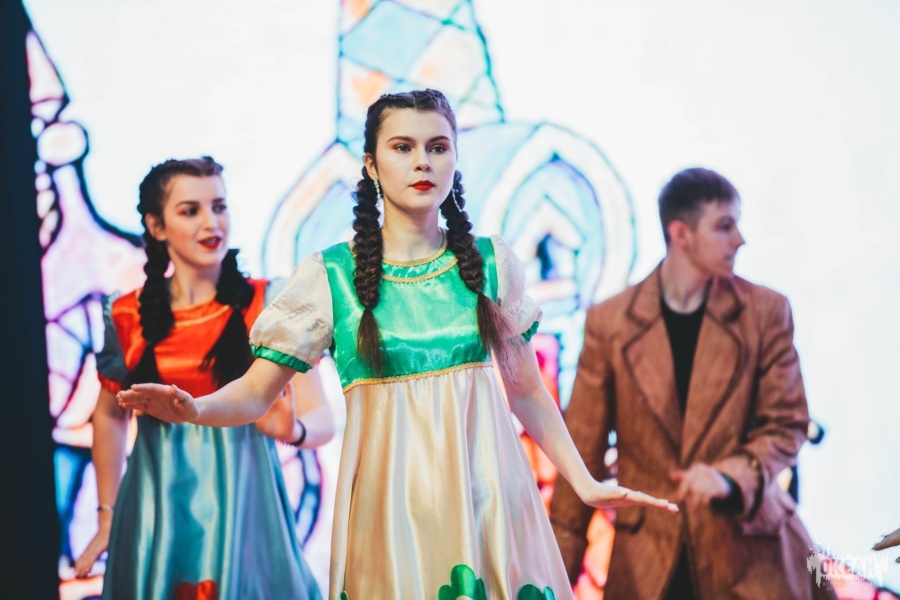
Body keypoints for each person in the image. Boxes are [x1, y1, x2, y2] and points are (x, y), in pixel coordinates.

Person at [117, 90, 677, 599]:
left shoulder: (490, 264)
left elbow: (527, 392)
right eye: (403, 147)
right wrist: (195, 408)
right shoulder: (331, 277)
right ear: (371, 164)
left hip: (488, 506)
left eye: (437, 147)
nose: (422, 162)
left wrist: (584, 482)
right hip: (391, 520)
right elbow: (256, 392)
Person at [549, 167, 837, 599]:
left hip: (749, 553)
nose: (739, 239)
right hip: (649, 562)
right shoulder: (611, 323)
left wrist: (729, 477)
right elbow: (580, 454)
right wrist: (554, 576)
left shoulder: (765, 312)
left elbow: (787, 425)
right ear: (681, 234)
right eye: (725, 226)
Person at [73, 156, 332, 599]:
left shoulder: (268, 303)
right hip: (156, 505)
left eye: (219, 206)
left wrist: (294, 430)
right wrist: (107, 516)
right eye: (190, 211)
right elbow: (110, 415)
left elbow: (320, 417)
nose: (211, 222)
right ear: (157, 226)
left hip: (244, 505)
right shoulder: (127, 314)